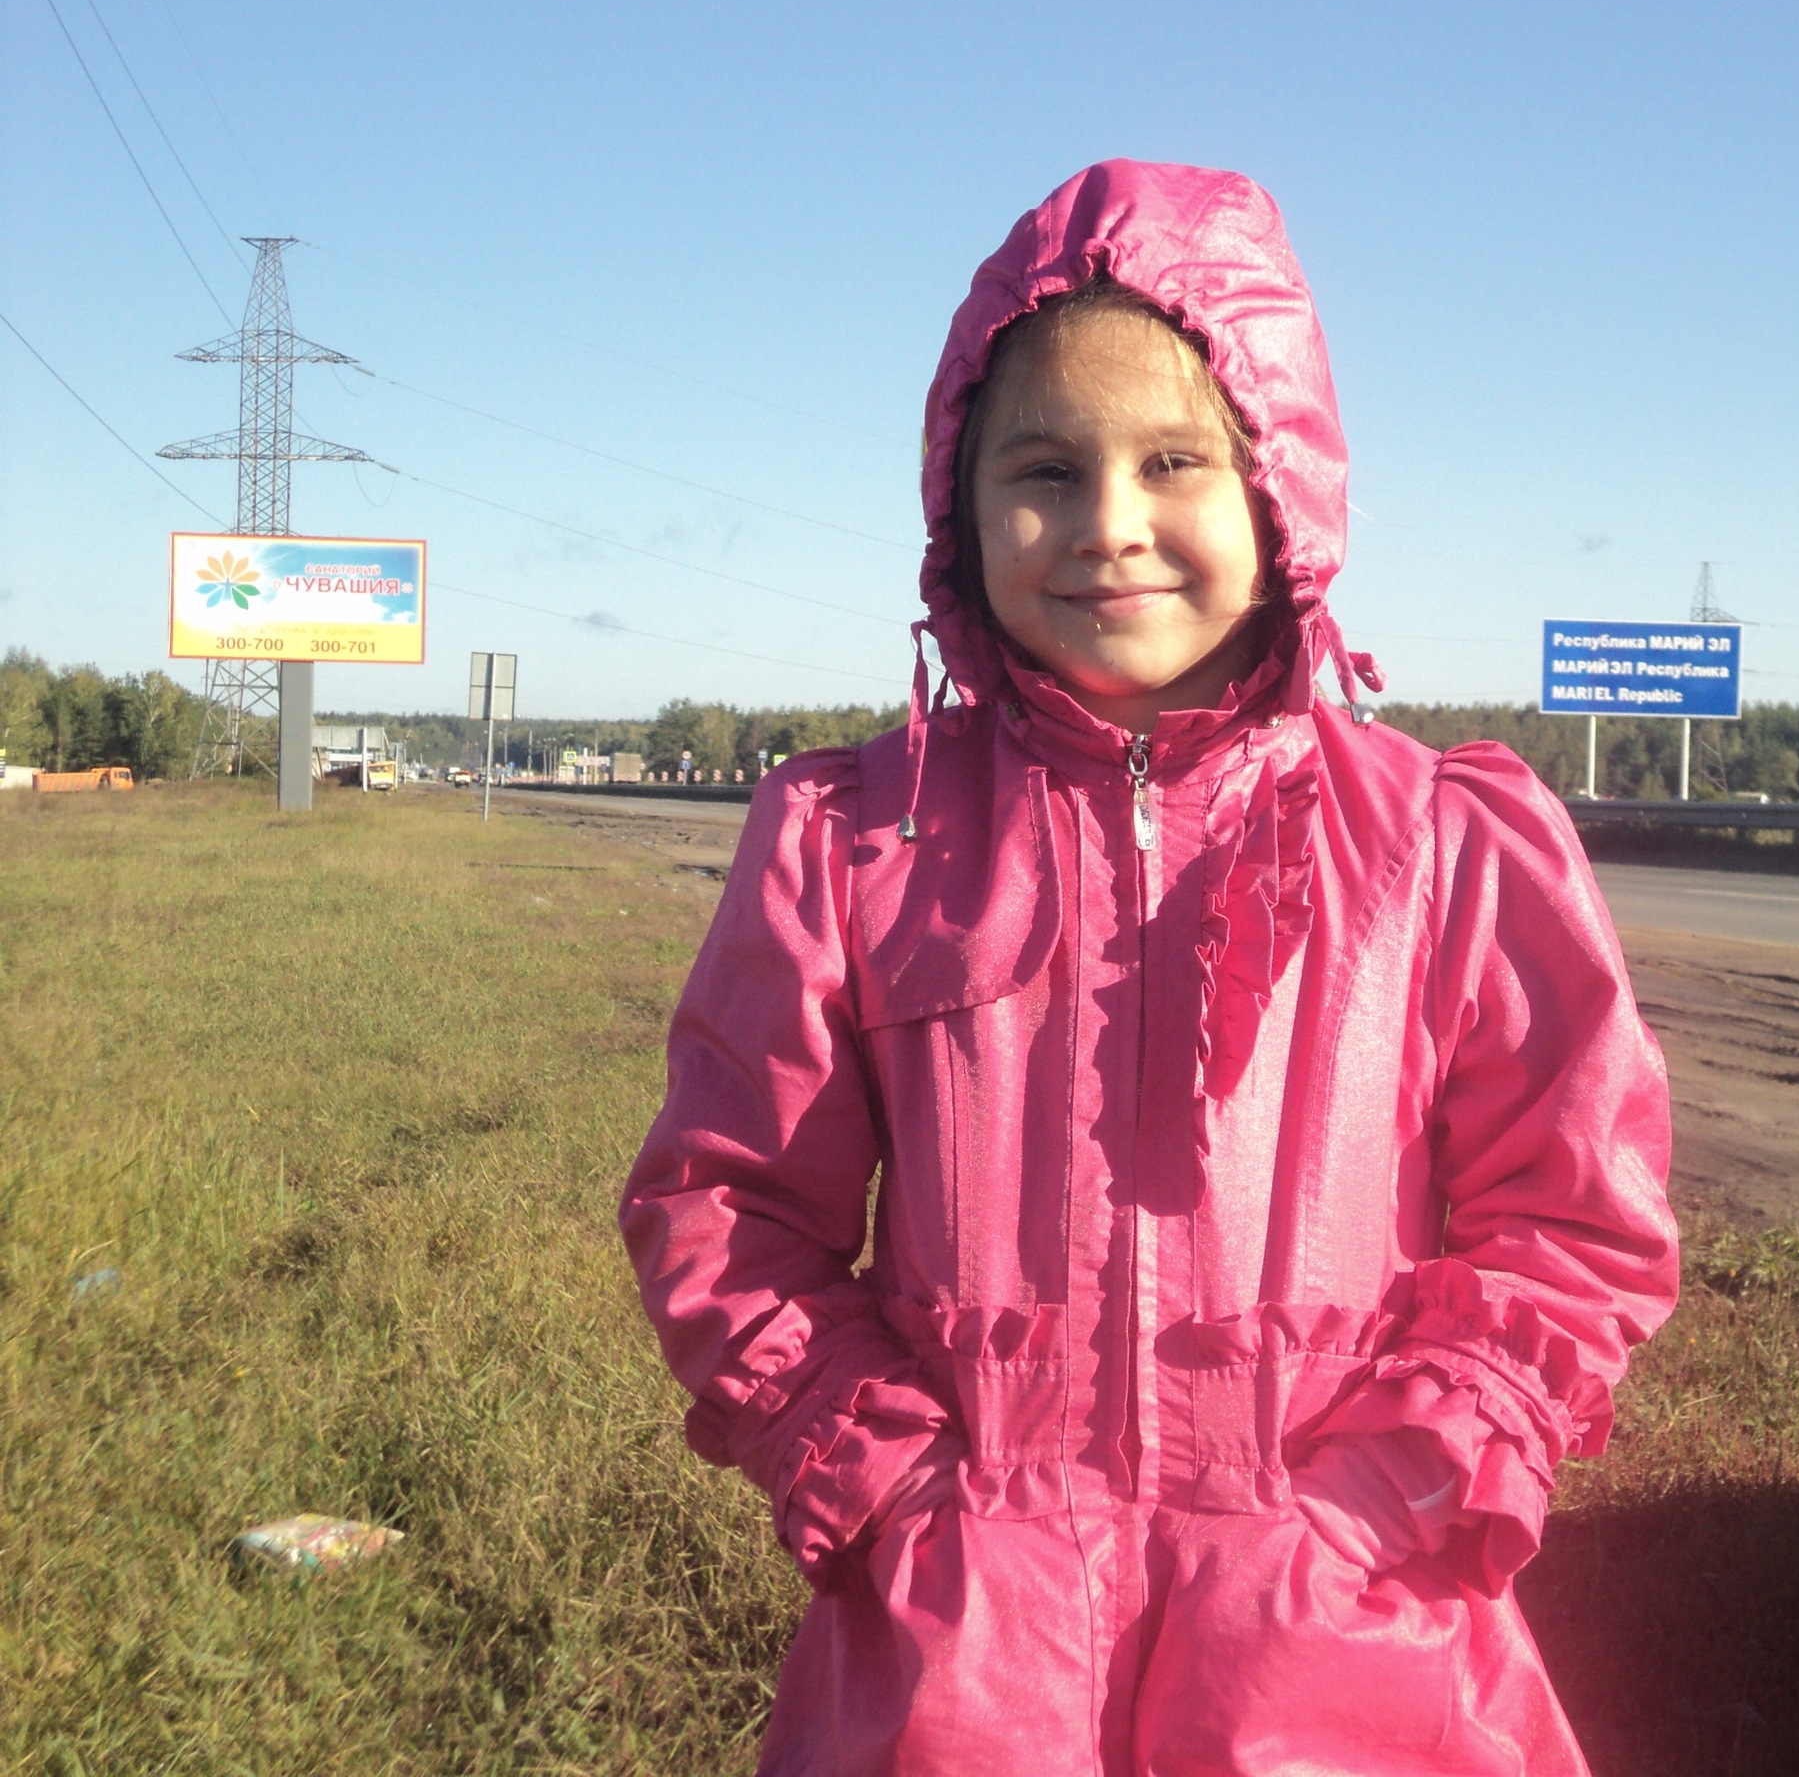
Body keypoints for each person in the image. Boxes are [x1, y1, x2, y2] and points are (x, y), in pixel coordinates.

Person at [622, 160, 1680, 1776]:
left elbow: (1575, 1224)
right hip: (959, 1667)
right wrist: (898, 1494)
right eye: (1043, 469)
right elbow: (727, 1205)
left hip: (1352, 1651)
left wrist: (1378, 1505)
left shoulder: (1442, 840)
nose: (1108, 525)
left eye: (1174, 461)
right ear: (958, 505)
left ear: (1281, 485)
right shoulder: (854, 838)